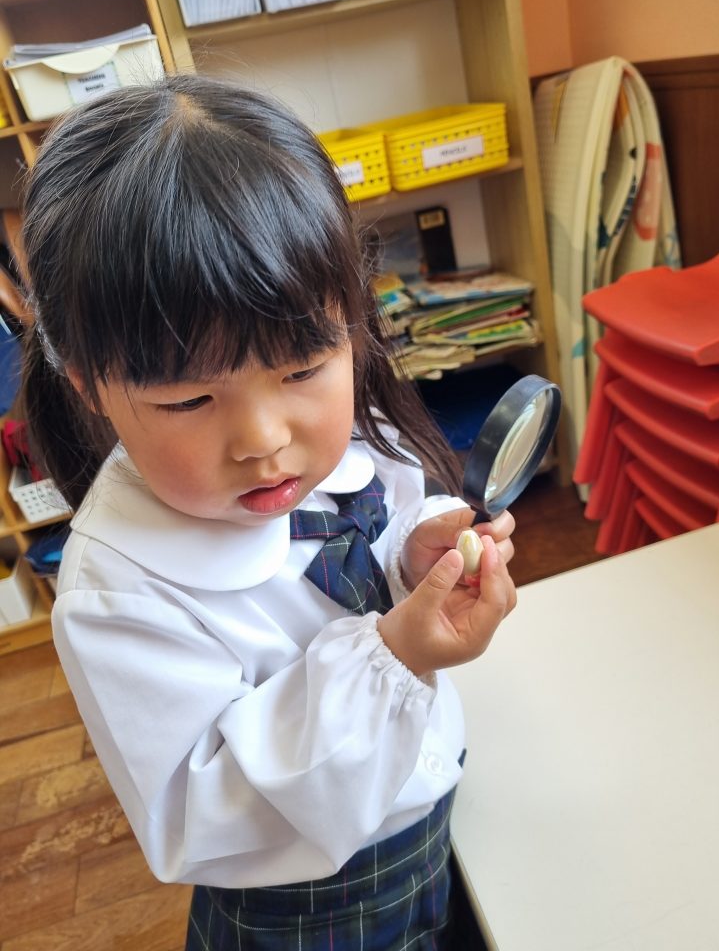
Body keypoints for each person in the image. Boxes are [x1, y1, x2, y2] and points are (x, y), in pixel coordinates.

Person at [21, 75, 517, 950]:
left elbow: (390, 507)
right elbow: (200, 813)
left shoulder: (344, 440)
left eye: (301, 371)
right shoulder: (116, 595)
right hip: (310, 907)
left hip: (431, 807)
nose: (263, 440)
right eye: (188, 400)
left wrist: (420, 549)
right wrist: (393, 657)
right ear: (90, 387)